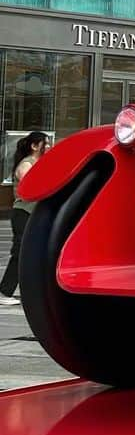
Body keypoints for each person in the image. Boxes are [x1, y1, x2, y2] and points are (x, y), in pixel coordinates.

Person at [0, 131, 47, 306]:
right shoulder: (26, 164)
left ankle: (33, 291)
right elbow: (33, 187)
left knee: (33, 254)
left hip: (32, 214)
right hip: (23, 213)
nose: (48, 147)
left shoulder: (38, 163)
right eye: (45, 143)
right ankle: (4, 291)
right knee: (19, 253)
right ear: (34, 146)